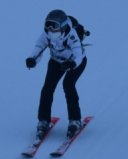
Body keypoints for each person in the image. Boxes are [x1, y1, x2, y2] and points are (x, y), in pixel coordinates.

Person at [25, 9, 89, 140]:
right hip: (56, 61)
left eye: (54, 26)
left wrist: (71, 64)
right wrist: (33, 59)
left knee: (68, 85)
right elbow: (39, 46)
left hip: (75, 62)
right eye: (48, 25)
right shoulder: (46, 34)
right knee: (47, 88)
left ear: (63, 26)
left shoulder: (71, 35)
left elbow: (78, 54)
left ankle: (75, 120)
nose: (51, 30)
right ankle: (43, 120)